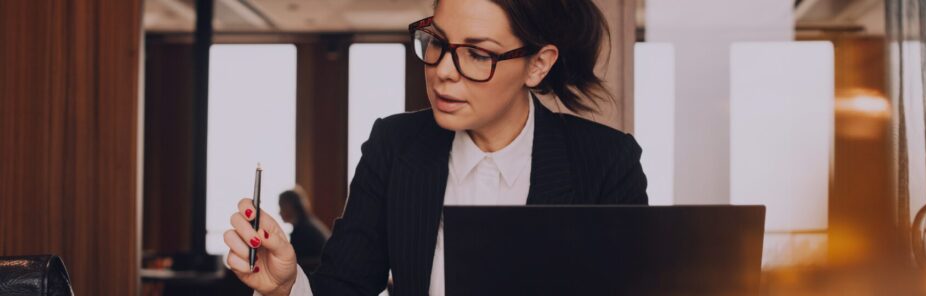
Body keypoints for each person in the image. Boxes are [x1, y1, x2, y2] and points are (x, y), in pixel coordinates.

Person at [223, 0, 648, 295]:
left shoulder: (608, 162)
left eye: (478, 54)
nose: (443, 70)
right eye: (439, 42)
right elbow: (345, 287)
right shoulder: (394, 147)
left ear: (538, 64)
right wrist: (285, 286)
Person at [277, 188, 331, 275]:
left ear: (289, 206)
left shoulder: (303, 231)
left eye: (281, 206)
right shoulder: (307, 225)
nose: (279, 212)